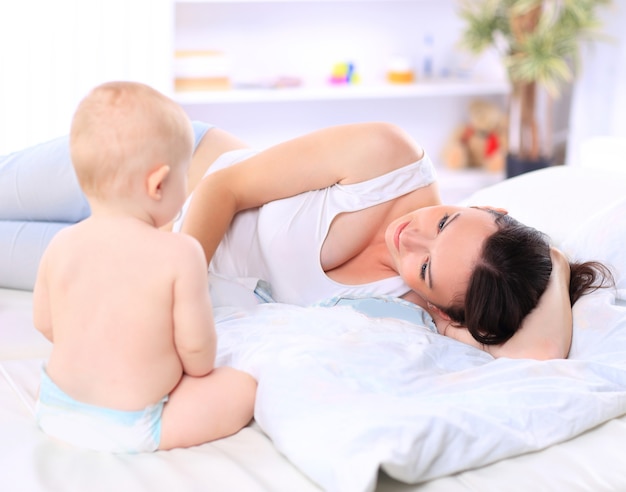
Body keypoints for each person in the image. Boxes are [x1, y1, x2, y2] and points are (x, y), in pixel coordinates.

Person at [0, 86, 610, 361]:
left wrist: (555, 266)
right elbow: (224, 187)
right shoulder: (388, 158)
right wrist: (165, 275)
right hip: (159, 161)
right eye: (448, 221)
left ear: (444, 312)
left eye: (424, 265)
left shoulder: (407, 313)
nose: (412, 236)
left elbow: (541, 355)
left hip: (129, 255)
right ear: (489, 206)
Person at [31, 82, 256, 453]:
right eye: (185, 176)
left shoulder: (61, 244)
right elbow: (198, 358)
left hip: (55, 407)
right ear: (158, 184)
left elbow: (45, 323)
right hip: (130, 425)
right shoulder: (180, 252)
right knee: (242, 387)